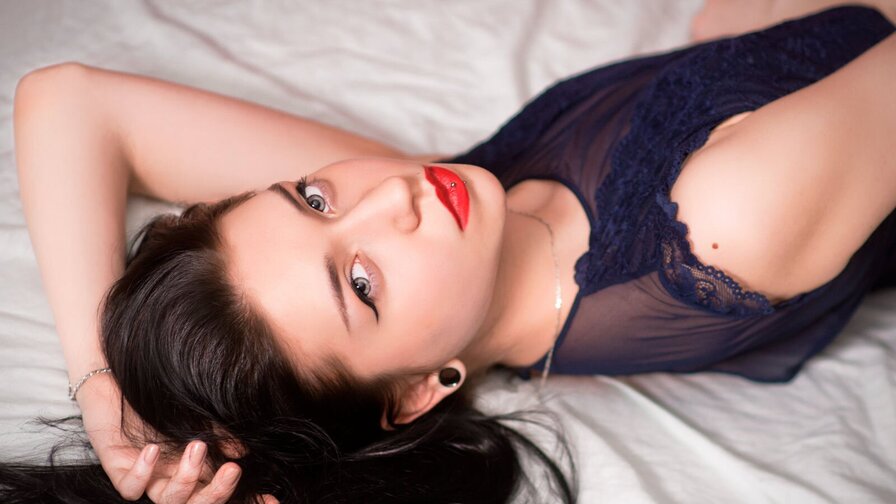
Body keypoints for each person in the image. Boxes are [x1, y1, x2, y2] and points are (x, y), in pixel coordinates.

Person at [2, 1, 895, 502]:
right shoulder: (724, 221)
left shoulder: (452, 220)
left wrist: (107, 400)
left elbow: (70, 102)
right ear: (418, 391)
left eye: (310, 197)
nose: (392, 196)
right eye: (361, 283)